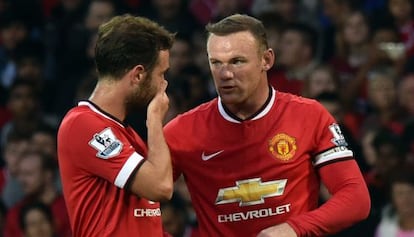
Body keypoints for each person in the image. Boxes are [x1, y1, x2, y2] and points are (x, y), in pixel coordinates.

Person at [164, 14, 370, 237]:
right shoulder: (182, 131)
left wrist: (295, 229)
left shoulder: (309, 116)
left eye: (237, 61)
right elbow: (137, 207)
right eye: (216, 63)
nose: (225, 74)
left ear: (266, 60)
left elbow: (356, 198)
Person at [57, 14, 175, 237]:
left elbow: (144, 221)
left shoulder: (127, 136)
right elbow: (161, 187)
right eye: (161, 74)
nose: (164, 85)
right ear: (138, 75)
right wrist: (155, 120)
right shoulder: (81, 123)